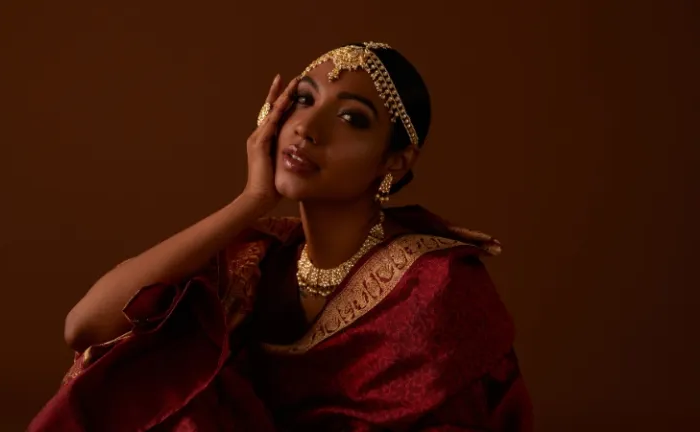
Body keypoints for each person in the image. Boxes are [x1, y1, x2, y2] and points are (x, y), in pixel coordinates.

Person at [29, 42, 533, 431]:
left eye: (351, 118)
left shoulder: (435, 283)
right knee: (155, 366)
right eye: (302, 101)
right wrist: (251, 200)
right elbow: (85, 327)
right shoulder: (262, 254)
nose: (307, 129)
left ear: (394, 162)